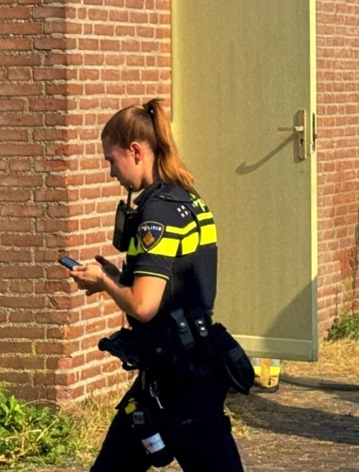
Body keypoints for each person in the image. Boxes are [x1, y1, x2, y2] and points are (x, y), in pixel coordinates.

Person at [70, 99, 245, 472]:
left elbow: (144, 305)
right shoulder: (188, 200)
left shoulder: (158, 212)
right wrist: (121, 281)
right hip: (178, 368)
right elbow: (171, 284)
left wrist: (103, 282)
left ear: (135, 152)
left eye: (111, 160)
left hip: (179, 380)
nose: (111, 172)